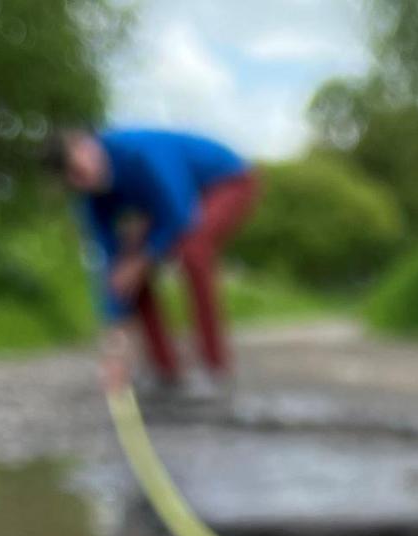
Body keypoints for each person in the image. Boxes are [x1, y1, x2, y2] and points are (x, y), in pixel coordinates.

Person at [44, 127, 259, 399]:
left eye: (79, 171)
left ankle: (214, 367)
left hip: (226, 182)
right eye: (73, 180)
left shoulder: (140, 153)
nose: (82, 183)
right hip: (172, 203)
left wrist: (141, 259)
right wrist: (114, 340)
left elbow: (180, 214)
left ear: (85, 146)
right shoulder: (91, 197)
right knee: (130, 271)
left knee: (193, 251)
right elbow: (111, 265)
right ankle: (167, 371)